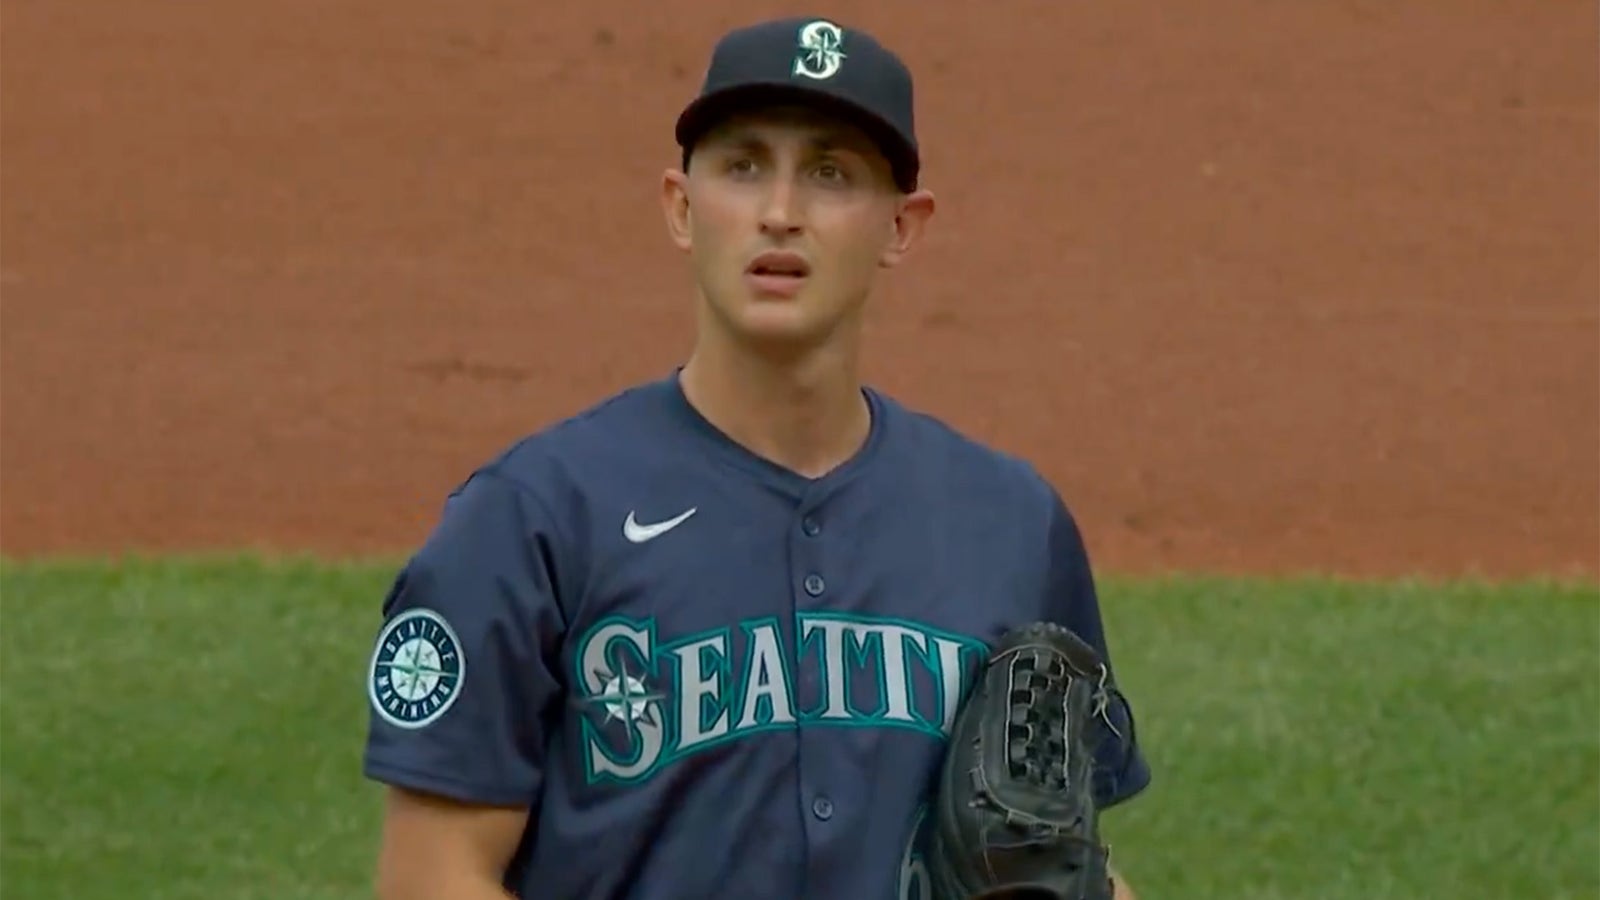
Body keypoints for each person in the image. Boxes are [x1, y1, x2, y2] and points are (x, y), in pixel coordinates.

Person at [362, 15, 1151, 900]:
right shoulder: (531, 520)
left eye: (830, 173)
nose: (781, 212)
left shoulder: (1011, 523)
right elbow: (432, 876)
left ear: (902, 226)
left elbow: (1069, 863)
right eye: (742, 166)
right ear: (681, 206)